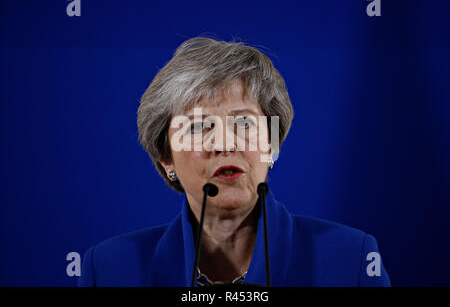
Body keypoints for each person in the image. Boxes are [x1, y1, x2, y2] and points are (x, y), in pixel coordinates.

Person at [78, 37, 390, 286]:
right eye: (199, 127)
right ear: (165, 157)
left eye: (244, 123)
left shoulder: (352, 260)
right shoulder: (107, 270)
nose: (225, 143)